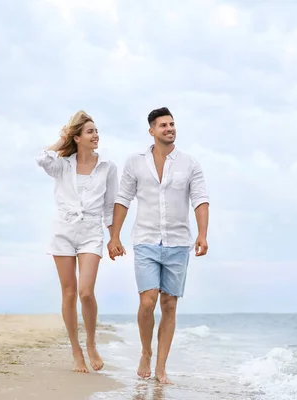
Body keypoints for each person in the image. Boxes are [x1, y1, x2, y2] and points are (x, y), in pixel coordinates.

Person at [107, 107, 210, 384]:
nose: (169, 128)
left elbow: (200, 199)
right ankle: (145, 351)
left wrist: (203, 234)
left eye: (172, 124)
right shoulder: (135, 162)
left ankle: (161, 367)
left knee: (169, 305)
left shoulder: (190, 163)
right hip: (146, 240)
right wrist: (114, 237)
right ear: (151, 130)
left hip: (178, 242)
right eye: (163, 125)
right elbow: (122, 199)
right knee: (147, 301)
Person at [36, 110, 119, 373]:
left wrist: (113, 237)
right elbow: (42, 158)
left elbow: (110, 206)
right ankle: (76, 350)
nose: (96, 135)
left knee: (85, 292)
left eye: (96, 131)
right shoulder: (63, 165)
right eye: (90, 131)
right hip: (63, 230)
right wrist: (64, 138)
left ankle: (91, 342)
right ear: (78, 137)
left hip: (92, 231)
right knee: (69, 293)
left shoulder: (107, 166)